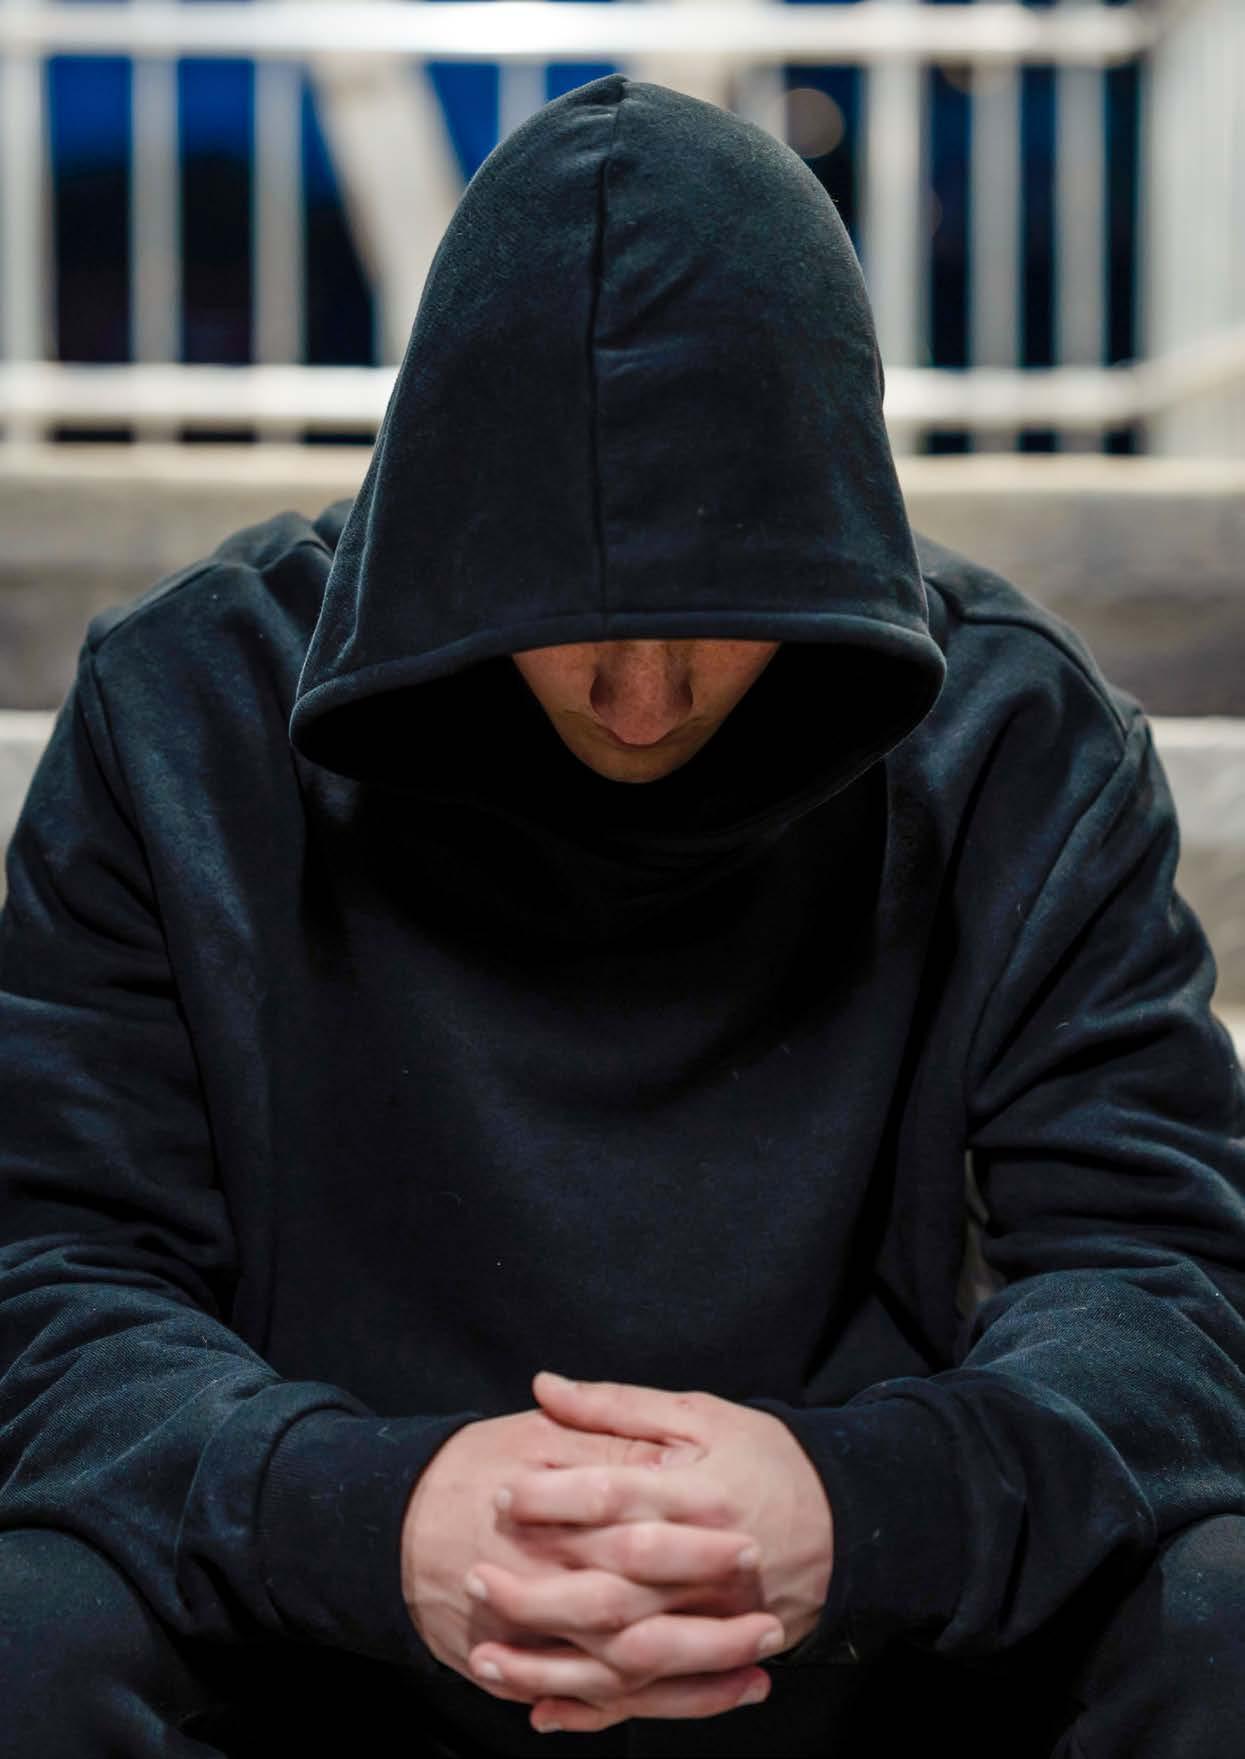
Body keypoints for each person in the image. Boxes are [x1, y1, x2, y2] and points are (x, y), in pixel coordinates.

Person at [1, 71, 1244, 1759]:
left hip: (865, 1640)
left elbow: (1159, 1278)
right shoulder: (185, 705)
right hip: (310, 1626)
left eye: (720, 620)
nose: (642, 703)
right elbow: (52, 1265)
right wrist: (373, 1513)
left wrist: (855, 1506)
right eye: (565, 625)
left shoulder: (1014, 735)